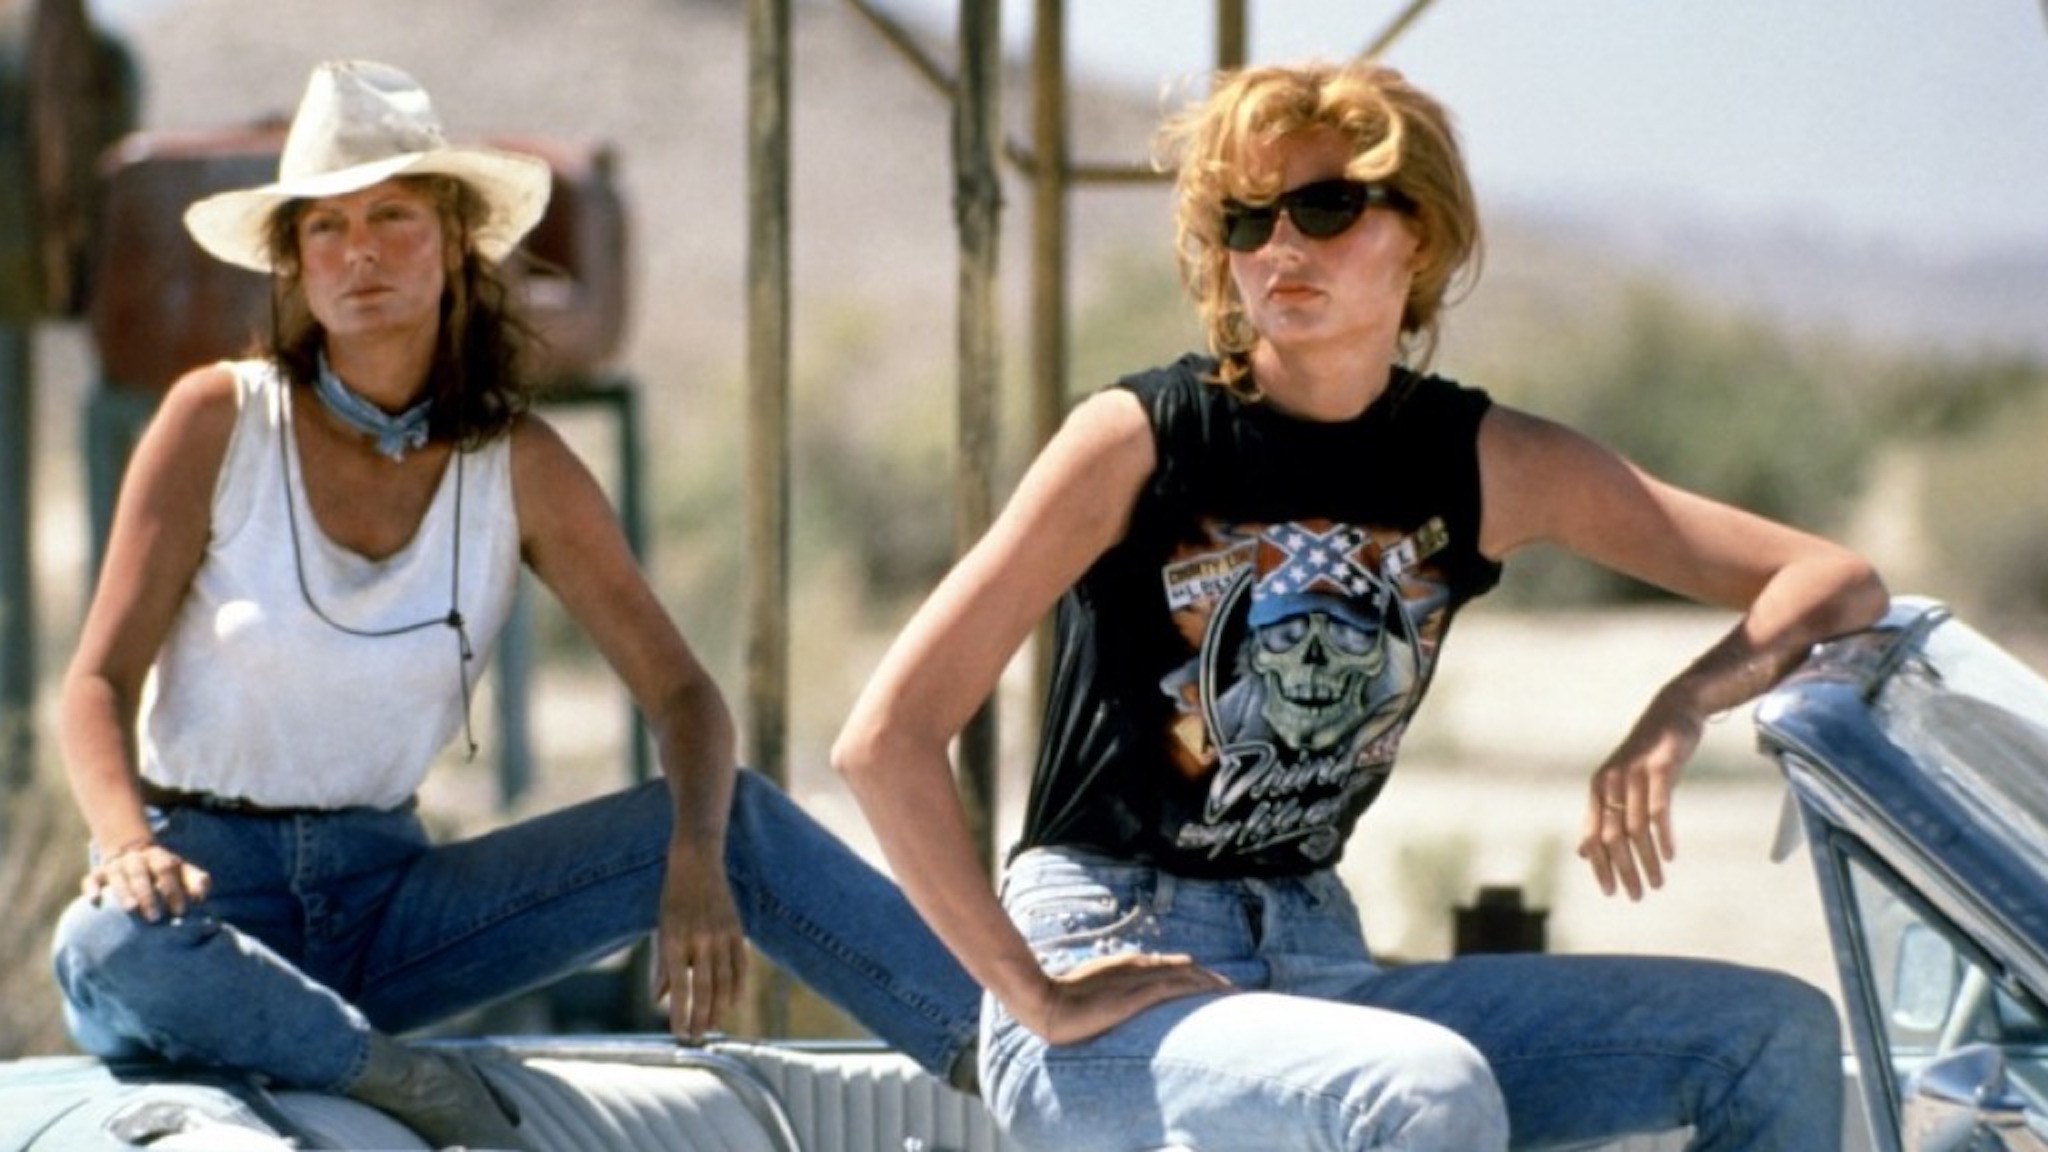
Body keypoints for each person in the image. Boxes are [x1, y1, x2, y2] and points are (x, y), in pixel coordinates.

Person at [832, 58, 1889, 1151]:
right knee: (1424, 1091)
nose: (1280, 247)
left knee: (1774, 1034)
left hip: (1319, 963)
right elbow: (884, 740)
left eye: (1324, 206)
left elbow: (1830, 582)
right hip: (1108, 970)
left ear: (1420, 234)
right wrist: (1031, 997)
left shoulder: (1480, 461)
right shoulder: (1140, 437)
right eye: (1245, 220)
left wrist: (1680, 706)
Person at [50, 59, 978, 1150]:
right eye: (326, 230)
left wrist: (689, 864)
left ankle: (1017, 1063)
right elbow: (96, 682)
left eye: (391, 217)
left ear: (451, 239)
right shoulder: (218, 420)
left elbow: (682, 694)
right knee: (106, 948)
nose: (359, 255)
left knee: (741, 828)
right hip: (201, 896)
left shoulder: (515, 464)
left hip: (387, 905)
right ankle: (391, 1077)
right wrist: (124, 844)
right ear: (295, 266)